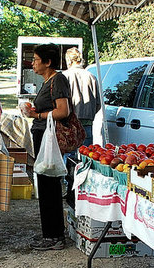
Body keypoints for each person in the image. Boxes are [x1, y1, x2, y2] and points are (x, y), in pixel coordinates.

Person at [22, 43, 71, 251]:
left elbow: (63, 111)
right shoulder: (46, 81)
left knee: (49, 184)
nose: (32, 63)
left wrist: (37, 115)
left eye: (35, 59)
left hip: (49, 139)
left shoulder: (58, 80)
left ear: (48, 62)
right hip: (42, 135)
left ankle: (55, 236)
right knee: (44, 183)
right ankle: (49, 233)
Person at [62, 47, 101, 148]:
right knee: (86, 154)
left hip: (69, 121)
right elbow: (98, 103)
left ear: (68, 60)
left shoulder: (64, 76)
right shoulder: (91, 76)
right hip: (87, 121)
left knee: (70, 156)